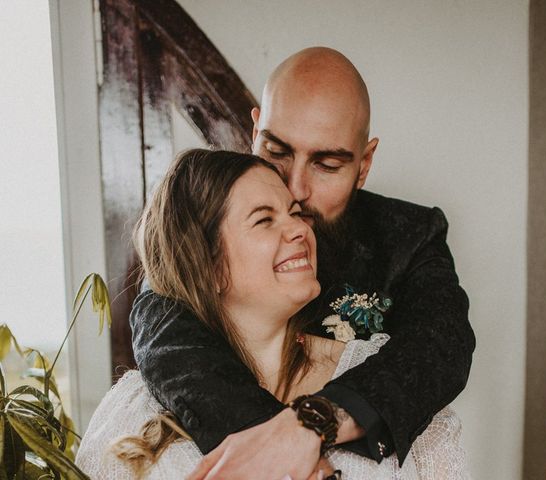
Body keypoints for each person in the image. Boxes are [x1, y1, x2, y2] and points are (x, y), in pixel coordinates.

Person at [130, 48, 475, 480]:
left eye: (327, 164)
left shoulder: (410, 236)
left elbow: (441, 345)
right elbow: (165, 325)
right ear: (254, 131)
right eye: (276, 150)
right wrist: (296, 458)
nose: (295, 187)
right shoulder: (201, 230)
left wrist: (313, 422)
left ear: (364, 164)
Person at [75, 149, 469, 479]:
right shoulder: (133, 407)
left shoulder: (383, 373)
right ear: (207, 265)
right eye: (265, 219)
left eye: (296, 213)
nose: (299, 229)